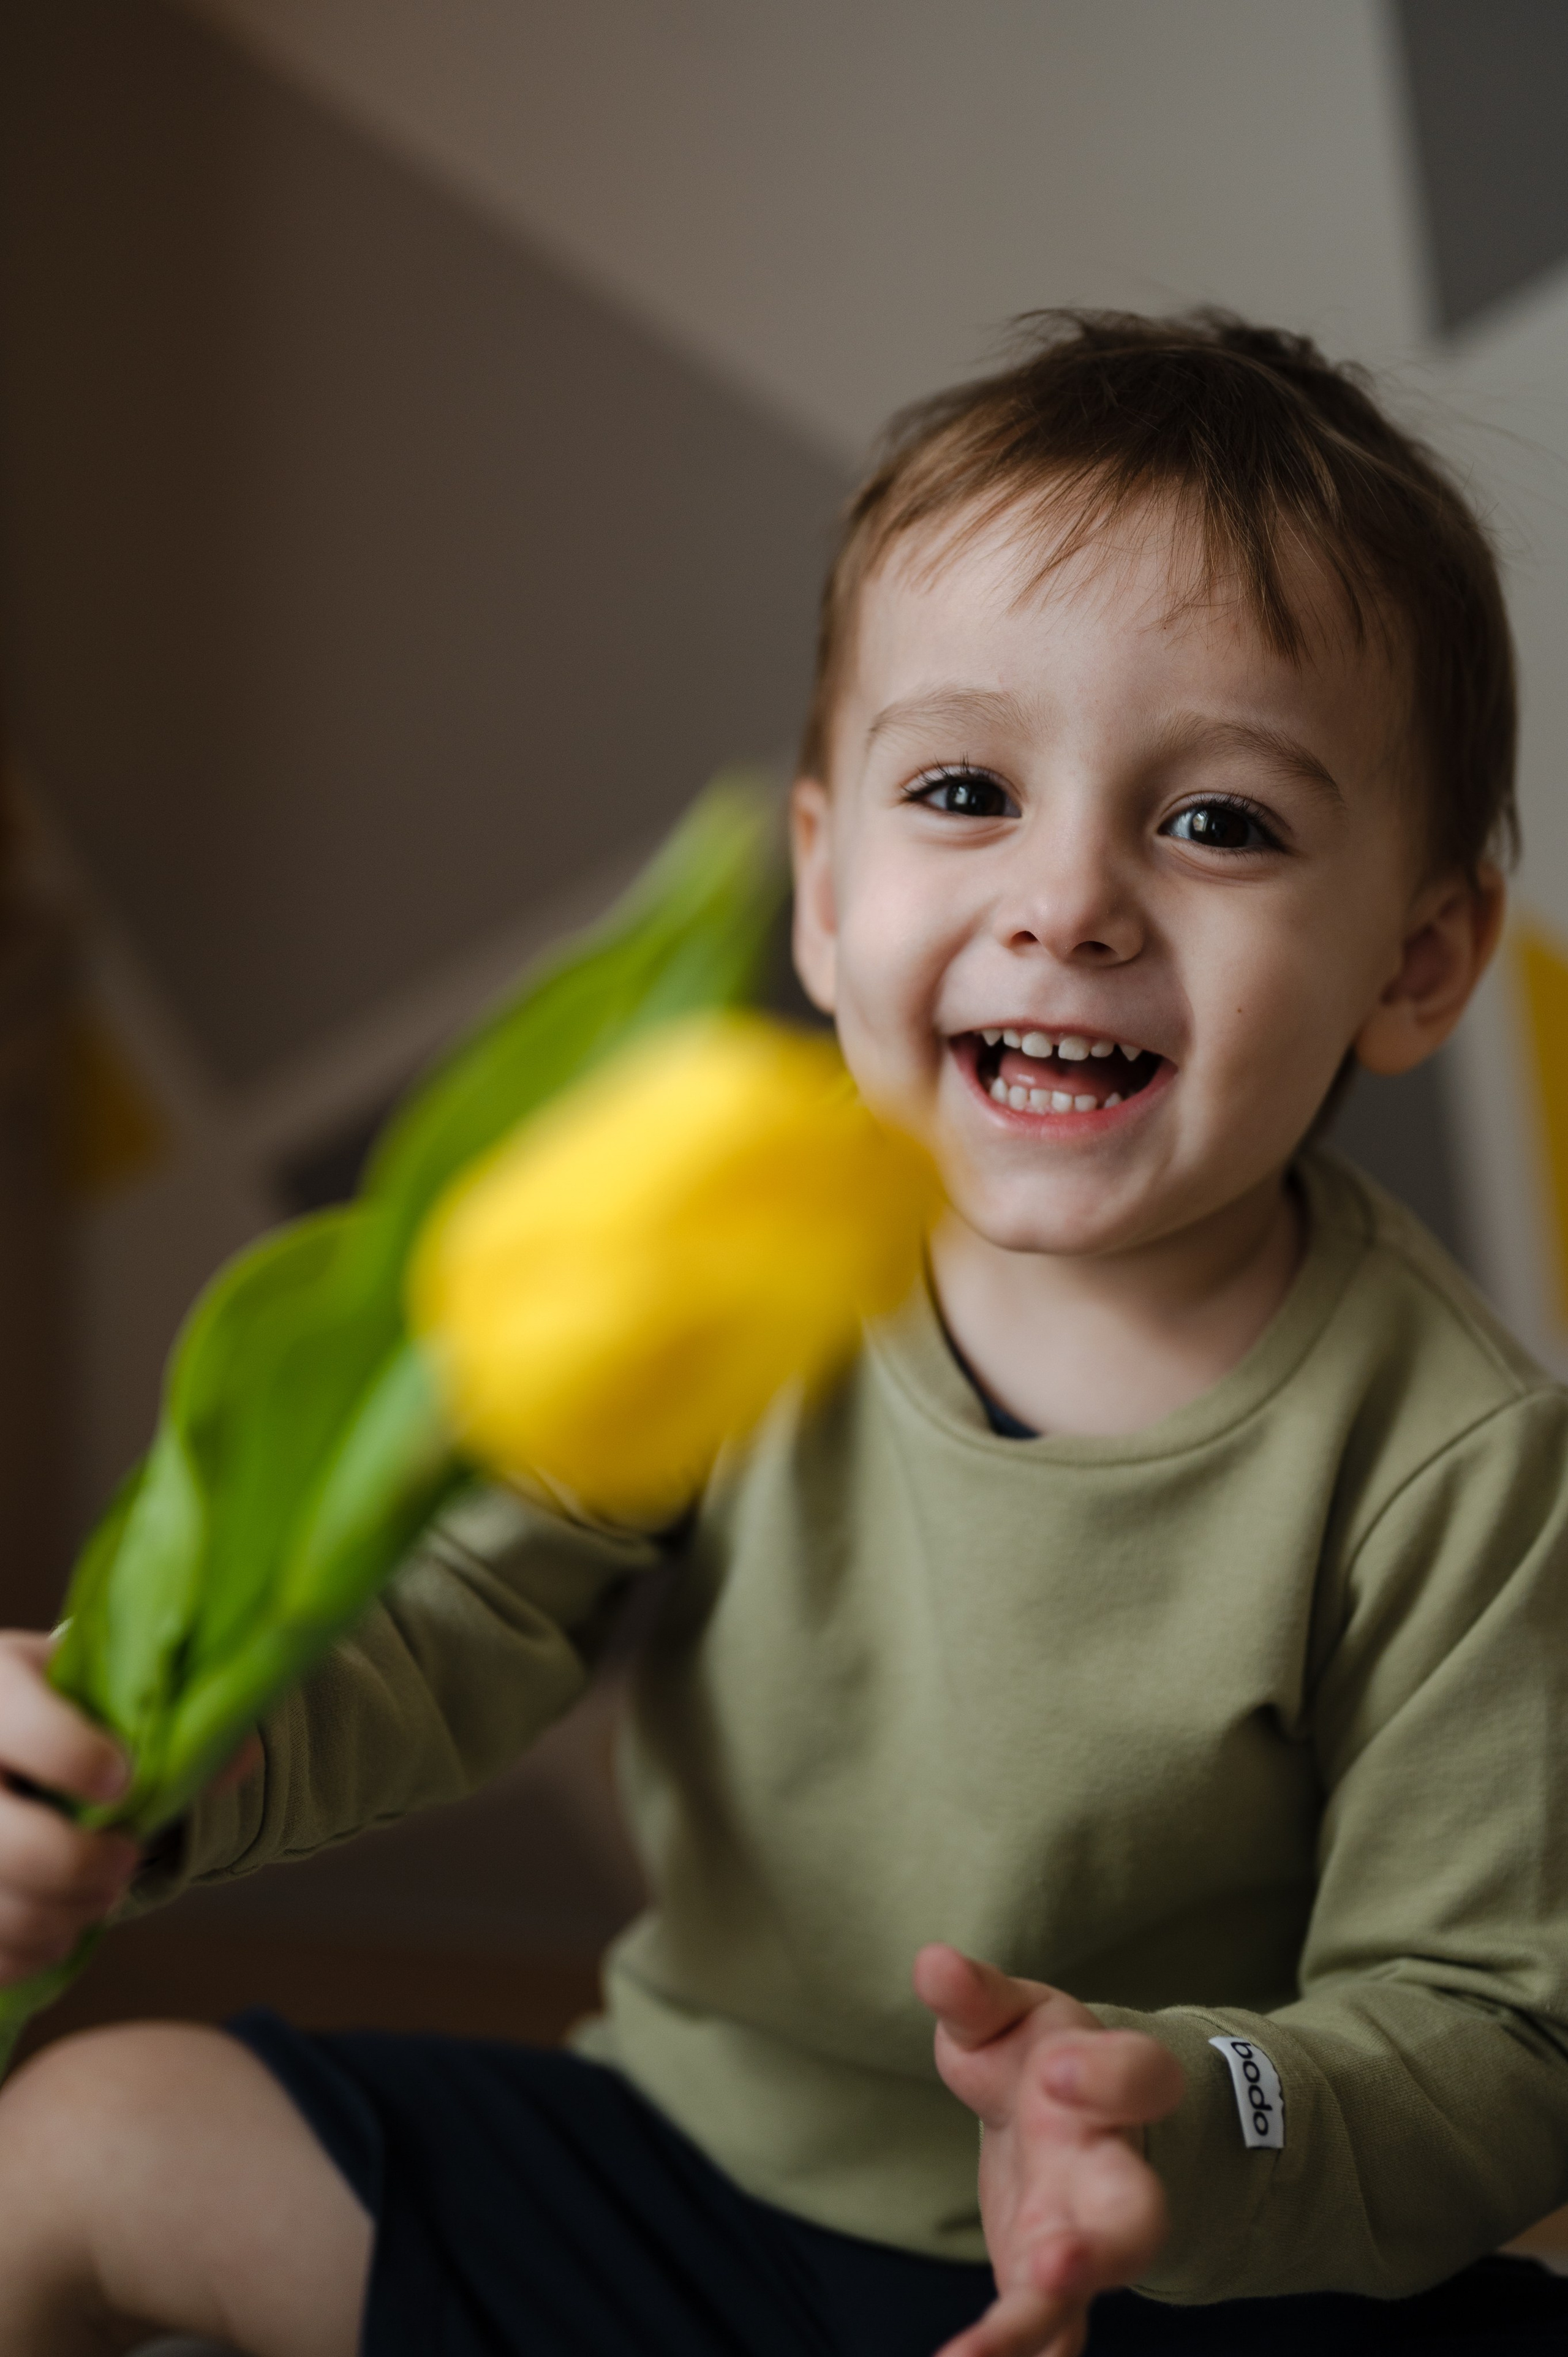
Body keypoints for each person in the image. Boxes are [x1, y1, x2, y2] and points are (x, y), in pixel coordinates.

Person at [0, 310, 1564, 2357]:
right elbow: (454, 1615)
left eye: (1220, 823)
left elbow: (1488, 2028)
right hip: (694, 2185)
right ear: (824, 894)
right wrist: (151, 1751)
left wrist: (1187, 2120)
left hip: (1167, 2277)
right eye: (967, 789)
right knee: (81, 2142)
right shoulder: (741, 1254)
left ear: (1421, 960)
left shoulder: (1458, 1463)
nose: (1071, 901)